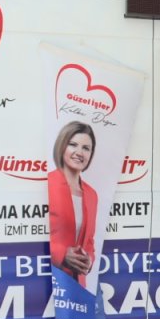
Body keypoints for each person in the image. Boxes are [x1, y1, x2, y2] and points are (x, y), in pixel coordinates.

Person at [48, 121, 98, 288]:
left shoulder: (91, 194)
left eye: (86, 148)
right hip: (51, 279)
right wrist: (62, 254)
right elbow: (31, 234)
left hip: (79, 283)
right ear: (62, 146)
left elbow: (89, 241)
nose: (79, 152)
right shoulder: (46, 185)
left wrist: (88, 260)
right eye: (73, 145)